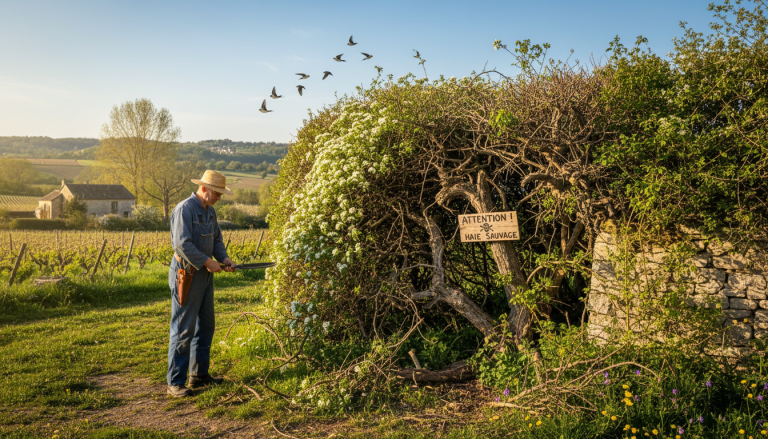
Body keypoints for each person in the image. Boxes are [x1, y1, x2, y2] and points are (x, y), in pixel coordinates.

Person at [166, 170, 236, 397]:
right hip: (186, 275)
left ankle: (198, 375)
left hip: (204, 276)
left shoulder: (210, 211)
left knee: (206, 325)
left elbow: (216, 239)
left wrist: (224, 258)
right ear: (204, 188)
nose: (219, 198)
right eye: (217, 193)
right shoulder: (184, 209)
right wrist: (208, 262)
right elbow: (181, 245)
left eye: (221, 194)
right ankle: (175, 382)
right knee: (183, 327)